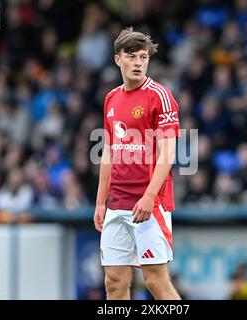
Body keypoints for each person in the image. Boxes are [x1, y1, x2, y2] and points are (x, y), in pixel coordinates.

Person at [93, 27, 181, 300]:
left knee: (155, 281)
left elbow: (168, 153)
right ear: (118, 59)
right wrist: (100, 201)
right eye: (132, 57)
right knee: (114, 282)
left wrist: (149, 196)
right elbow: (109, 151)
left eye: (143, 57)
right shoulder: (111, 98)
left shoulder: (160, 96)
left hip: (149, 204)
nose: (138, 63)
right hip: (117, 204)